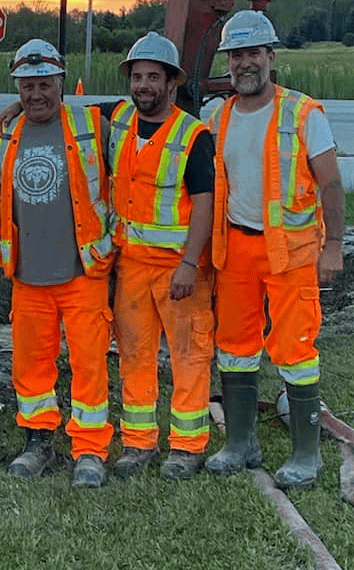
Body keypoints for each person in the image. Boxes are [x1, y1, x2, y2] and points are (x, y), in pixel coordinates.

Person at [203, 10, 345, 490]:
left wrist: (335, 248)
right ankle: (240, 443)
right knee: (235, 349)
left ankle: (307, 455)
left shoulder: (303, 113)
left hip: (292, 253)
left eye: (253, 54)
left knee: (295, 349)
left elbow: (332, 185)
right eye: (236, 55)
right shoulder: (216, 116)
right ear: (229, 61)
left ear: (270, 57)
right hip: (236, 249)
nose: (245, 64)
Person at [0, 38, 116, 488]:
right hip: (27, 274)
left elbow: (142, 103)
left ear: (62, 83)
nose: (36, 95)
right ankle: (38, 441)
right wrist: (12, 108)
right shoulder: (4, 133)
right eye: (26, 87)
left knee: (89, 363)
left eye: (45, 84)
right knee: (31, 365)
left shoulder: (92, 124)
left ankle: (89, 449)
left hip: (82, 270)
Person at [108, 32, 215, 480]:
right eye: (137, 77)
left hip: (178, 268)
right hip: (131, 264)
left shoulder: (193, 135)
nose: (143, 85)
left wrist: (190, 263)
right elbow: (58, 114)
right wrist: (16, 106)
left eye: (153, 76)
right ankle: (138, 443)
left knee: (189, 353)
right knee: (134, 352)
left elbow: (205, 202)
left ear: (172, 84)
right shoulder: (116, 121)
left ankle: (187, 446)